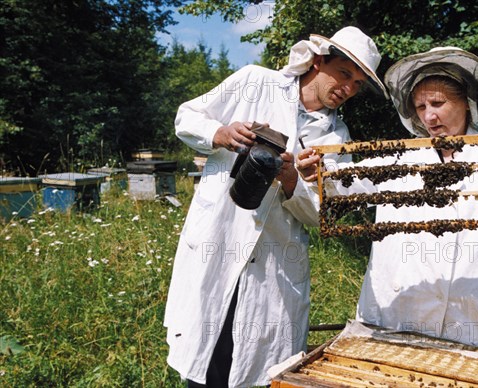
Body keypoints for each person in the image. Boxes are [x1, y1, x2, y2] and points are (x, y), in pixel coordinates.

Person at [163, 26, 388, 387]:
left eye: (358, 84)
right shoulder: (256, 82)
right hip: (217, 246)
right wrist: (219, 133)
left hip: (273, 269)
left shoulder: (336, 139)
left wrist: (291, 181)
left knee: (259, 372)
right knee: (207, 362)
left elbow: (320, 215)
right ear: (318, 62)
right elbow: (186, 117)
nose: (348, 89)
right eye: (344, 74)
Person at [297, 47, 478, 350]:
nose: (429, 115)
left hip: (463, 324)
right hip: (391, 317)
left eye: (438, 103)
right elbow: (345, 185)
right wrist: (318, 173)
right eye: (421, 107)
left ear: (467, 104)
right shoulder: (399, 160)